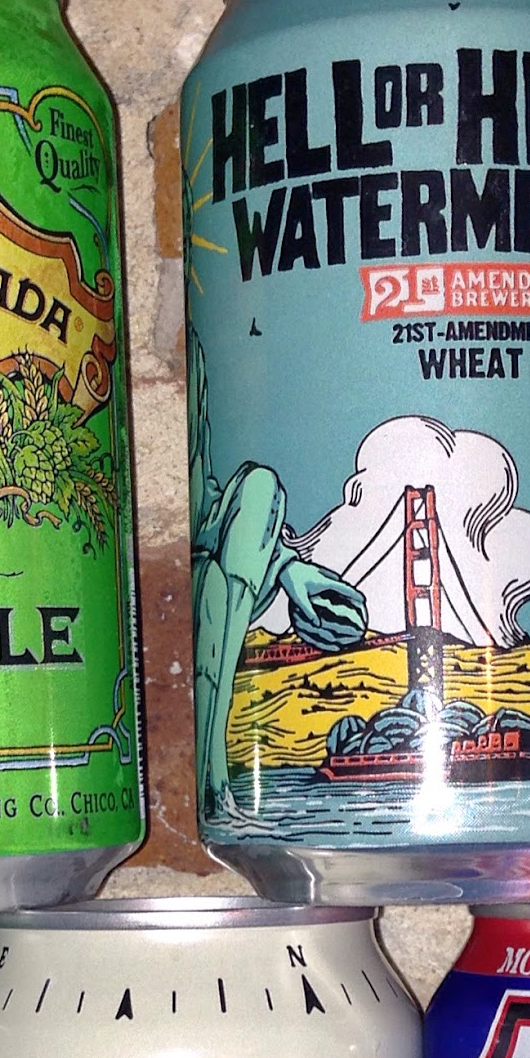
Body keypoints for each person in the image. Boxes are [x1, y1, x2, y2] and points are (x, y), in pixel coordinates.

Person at [189, 330, 367, 817]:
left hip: (220, 575)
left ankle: (217, 784)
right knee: (213, 593)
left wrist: (289, 568)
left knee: (261, 485)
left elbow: (206, 499)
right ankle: (215, 780)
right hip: (208, 584)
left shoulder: (199, 362)